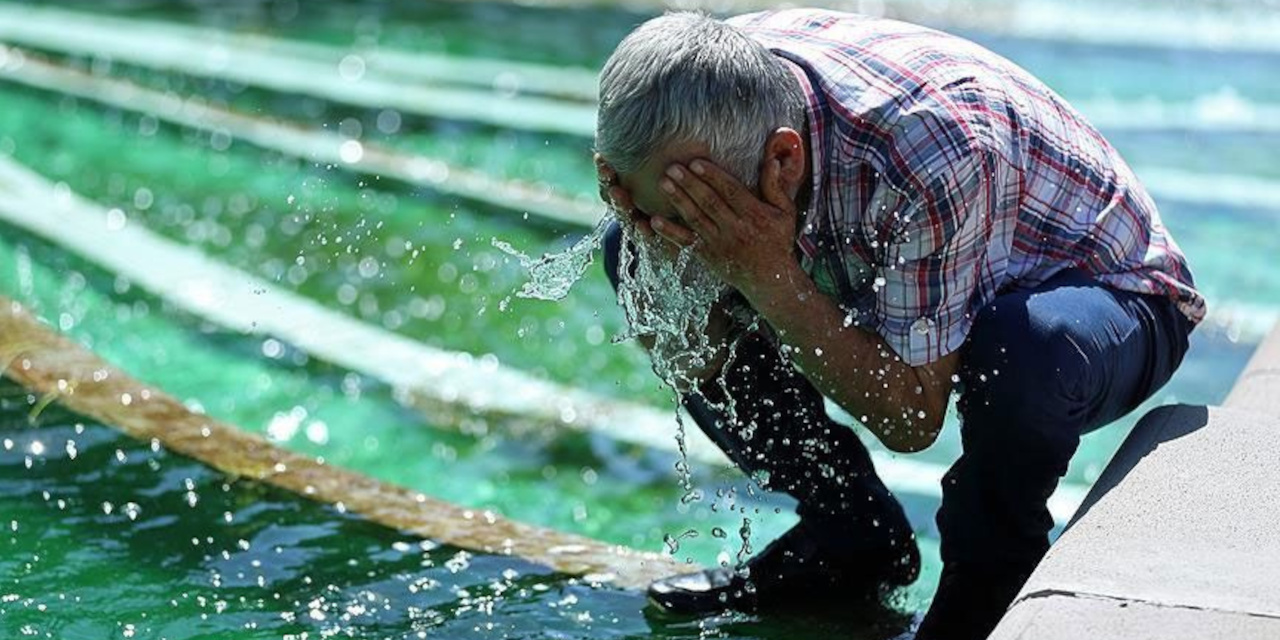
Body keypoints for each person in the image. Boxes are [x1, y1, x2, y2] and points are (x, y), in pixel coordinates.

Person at [593, 9, 1203, 639]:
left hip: (1113, 299)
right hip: (906, 242)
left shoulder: (933, 150)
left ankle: (986, 587)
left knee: (1022, 346)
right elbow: (667, 274)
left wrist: (767, 276)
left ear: (782, 159)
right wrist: (653, 241)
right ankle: (850, 534)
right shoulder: (691, 84)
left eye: (695, 216)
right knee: (634, 258)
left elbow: (911, 418)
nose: (669, 234)